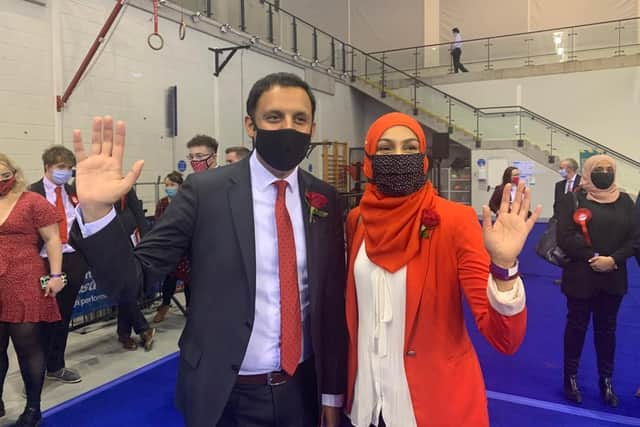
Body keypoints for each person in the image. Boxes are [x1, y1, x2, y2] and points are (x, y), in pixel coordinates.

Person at [68, 72, 347, 427]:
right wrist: (96, 212)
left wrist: (332, 394)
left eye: (300, 119)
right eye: (274, 117)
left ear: (312, 127)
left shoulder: (324, 199)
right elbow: (132, 283)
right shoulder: (205, 192)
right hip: (227, 394)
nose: (288, 128)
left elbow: (331, 304)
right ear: (250, 124)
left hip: (305, 390)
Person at [344, 113, 540, 427]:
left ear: (423, 158)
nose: (399, 157)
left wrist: (504, 268)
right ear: (368, 159)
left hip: (431, 407)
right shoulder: (358, 221)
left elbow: (504, 339)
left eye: (410, 148)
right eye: (385, 148)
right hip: (366, 405)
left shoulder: (454, 220)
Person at [557, 154, 637, 407]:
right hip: (581, 276)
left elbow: (635, 239)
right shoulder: (573, 199)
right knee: (576, 328)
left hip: (613, 277)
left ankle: (606, 380)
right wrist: (593, 257)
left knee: (607, 331)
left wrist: (612, 260)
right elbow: (565, 236)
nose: (604, 172)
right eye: (598, 168)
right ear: (588, 172)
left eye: (608, 169)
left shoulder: (626, 202)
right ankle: (570, 378)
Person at [0, 154, 65, 427]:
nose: (1, 181)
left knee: (27, 346)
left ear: (14, 173)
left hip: (25, 278)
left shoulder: (32, 201)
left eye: (4, 175)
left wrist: (55, 275)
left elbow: (52, 239)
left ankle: (33, 409)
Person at [30, 146, 87, 384]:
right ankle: (34, 371)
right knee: (41, 318)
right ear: (47, 167)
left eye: (69, 168)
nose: (65, 172)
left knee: (63, 316)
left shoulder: (74, 191)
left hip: (72, 258)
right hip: (42, 260)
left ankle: (56, 365)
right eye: (60, 167)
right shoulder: (32, 193)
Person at [113, 188, 156, 351]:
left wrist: (146, 240)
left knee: (129, 287)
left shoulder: (125, 186)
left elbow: (138, 212)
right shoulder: (94, 186)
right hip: (109, 245)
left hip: (131, 242)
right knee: (124, 288)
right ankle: (142, 328)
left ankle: (124, 333)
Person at [153, 171, 191, 323]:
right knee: (170, 277)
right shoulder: (162, 203)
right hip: (169, 247)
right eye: (166, 185)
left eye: (172, 185)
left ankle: (190, 307)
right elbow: (158, 223)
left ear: (180, 186)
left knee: (189, 279)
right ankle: (165, 305)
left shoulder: (187, 202)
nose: (169, 188)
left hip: (186, 247)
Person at [551, 158, 581, 284]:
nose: (560, 170)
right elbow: (557, 204)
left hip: (578, 224)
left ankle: (578, 277)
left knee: (577, 251)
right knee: (563, 251)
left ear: (569, 169)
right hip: (562, 224)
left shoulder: (582, 183)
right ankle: (566, 277)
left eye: (561, 167)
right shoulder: (559, 185)